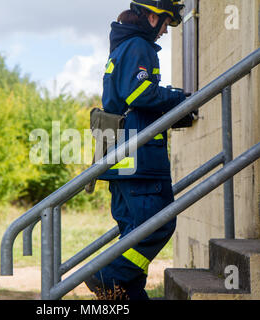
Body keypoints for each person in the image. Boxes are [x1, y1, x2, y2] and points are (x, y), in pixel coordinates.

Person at [85, 0, 186, 300]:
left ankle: (127, 294)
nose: (166, 31)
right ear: (152, 16)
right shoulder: (139, 46)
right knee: (158, 225)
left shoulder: (121, 47)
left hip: (121, 160)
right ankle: (107, 276)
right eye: (166, 22)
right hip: (140, 160)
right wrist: (180, 100)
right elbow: (139, 93)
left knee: (133, 233)